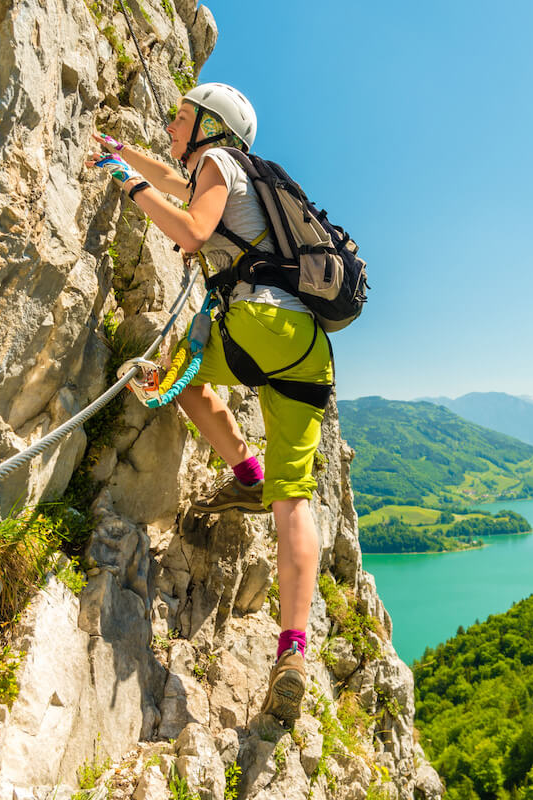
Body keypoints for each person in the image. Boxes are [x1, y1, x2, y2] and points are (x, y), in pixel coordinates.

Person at [86, 83, 333, 724]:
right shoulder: (226, 170)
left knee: (182, 377)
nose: (171, 122)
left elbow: (194, 231)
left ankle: (244, 472)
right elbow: (177, 175)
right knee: (293, 501)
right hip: (304, 348)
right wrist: (129, 153)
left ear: (210, 125)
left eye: (181, 116)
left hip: (254, 324)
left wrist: (125, 182)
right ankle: (292, 652)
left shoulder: (221, 166)